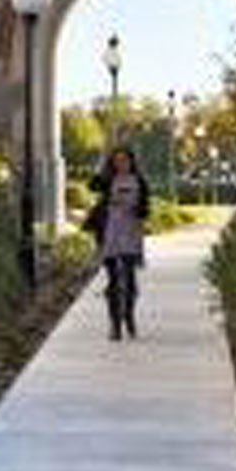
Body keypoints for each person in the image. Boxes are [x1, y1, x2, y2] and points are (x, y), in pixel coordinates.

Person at [85, 146, 151, 341]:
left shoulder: (140, 181)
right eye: (117, 161)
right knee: (113, 280)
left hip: (131, 233)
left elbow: (146, 210)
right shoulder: (107, 180)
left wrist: (137, 210)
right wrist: (101, 168)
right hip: (109, 233)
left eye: (125, 160)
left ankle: (129, 316)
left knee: (130, 280)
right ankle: (115, 325)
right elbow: (92, 185)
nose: (121, 164)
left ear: (132, 162)